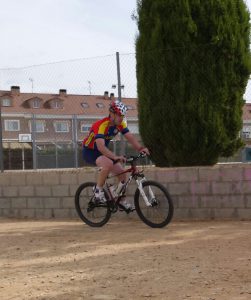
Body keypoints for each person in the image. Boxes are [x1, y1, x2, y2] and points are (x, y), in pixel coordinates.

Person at [82, 99, 150, 210]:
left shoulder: (120, 124)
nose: (121, 118)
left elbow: (130, 138)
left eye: (123, 116)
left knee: (122, 174)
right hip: (90, 151)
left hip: (103, 152)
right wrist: (114, 157)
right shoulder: (101, 125)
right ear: (112, 114)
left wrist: (141, 148)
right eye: (119, 115)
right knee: (108, 164)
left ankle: (120, 199)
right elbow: (101, 147)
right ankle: (98, 189)